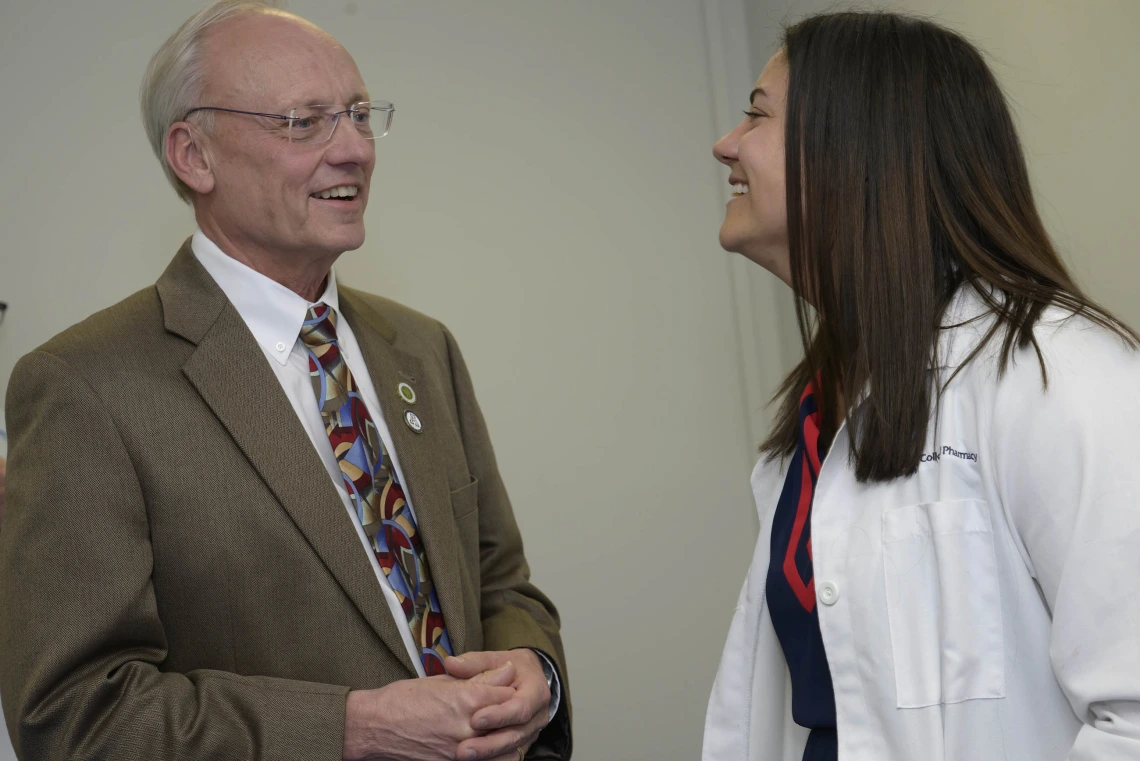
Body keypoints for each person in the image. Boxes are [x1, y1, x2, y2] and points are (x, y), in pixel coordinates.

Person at [0, 3, 570, 760]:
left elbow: (502, 586)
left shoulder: (422, 350)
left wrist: (536, 669)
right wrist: (351, 729)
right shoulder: (84, 386)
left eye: (361, 115)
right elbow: (74, 713)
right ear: (193, 155)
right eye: (305, 122)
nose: (355, 151)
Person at [703, 11, 1140, 761]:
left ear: (855, 150)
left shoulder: (1057, 375)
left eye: (757, 114)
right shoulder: (818, 414)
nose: (727, 144)